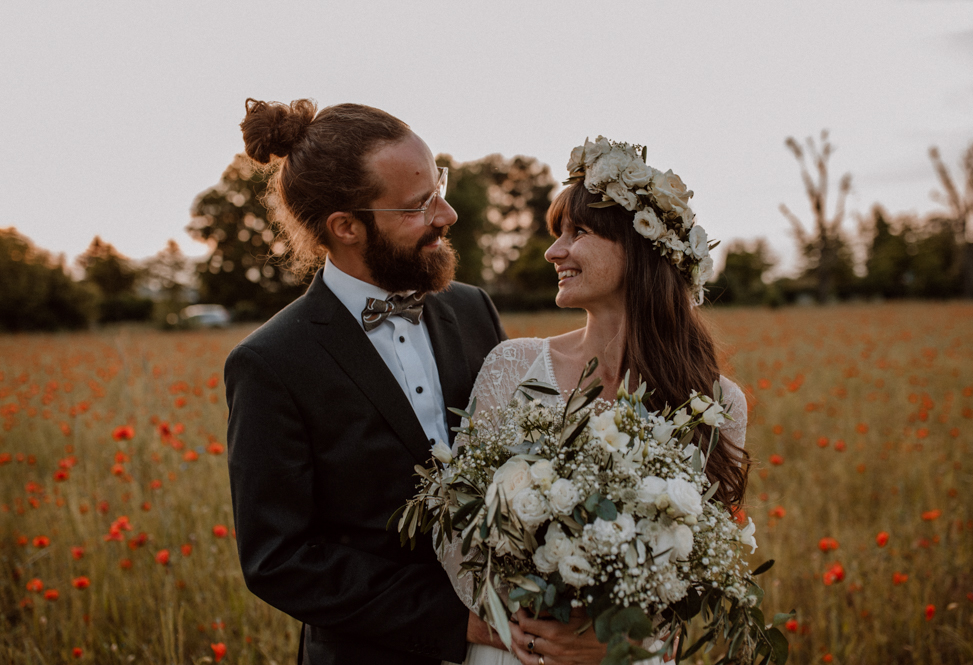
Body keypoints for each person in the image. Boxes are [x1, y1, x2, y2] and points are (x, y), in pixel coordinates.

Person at [443, 137, 750, 665]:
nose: (553, 252)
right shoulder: (511, 367)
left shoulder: (717, 402)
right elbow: (456, 528)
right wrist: (528, 623)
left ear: (641, 246)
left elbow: (703, 557)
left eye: (578, 232)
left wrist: (624, 635)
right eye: (557, 234)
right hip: (516, 648)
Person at [226, 98, 513, 665]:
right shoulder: (270, 362)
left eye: (439, 186)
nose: (447, 214)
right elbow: (279, 558)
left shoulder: (474, 310)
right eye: (419, 204)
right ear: (346, 227)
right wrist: (457, 622)